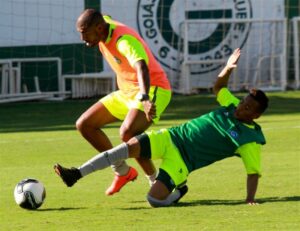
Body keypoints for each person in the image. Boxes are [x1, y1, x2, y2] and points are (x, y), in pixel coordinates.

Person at [54, 48, 269, 207]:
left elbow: (253, 173)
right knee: (125, 147)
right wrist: (227, 68)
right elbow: (218, 87)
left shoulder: (249, 138)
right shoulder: (231, 105)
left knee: (154, 200)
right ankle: (77, 174)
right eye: (243, 102)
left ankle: (179, 189)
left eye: (248, 107)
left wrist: (250, 199)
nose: (241, 107)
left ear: (256, 115)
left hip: (182, 161)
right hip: (171, 137)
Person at [69, 9, 172, 196]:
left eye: (86, 34)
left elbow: (141, 66)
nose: (84, 40)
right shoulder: (103, 25)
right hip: (126, 92)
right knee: (84, 124)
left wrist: (145, 97)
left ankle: (155, 182)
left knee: (128, 133)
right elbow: (103, 15)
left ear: (99, 28)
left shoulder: (123, 40)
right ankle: (122, 171)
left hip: (152, 88)